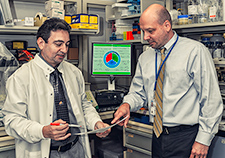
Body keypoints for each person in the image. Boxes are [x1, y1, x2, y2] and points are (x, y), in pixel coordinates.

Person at [111, 4, 223, 158]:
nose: (145, 37)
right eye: (143, 31)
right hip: (158, 135)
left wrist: (203, 140)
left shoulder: (195, 52)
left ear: (167, 25)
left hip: (187, 137)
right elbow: (138, 93)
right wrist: (127, 104)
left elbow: (211, 100)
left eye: (150, 31)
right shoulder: (145, 57)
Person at [2, 18, 111, 158]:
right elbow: (12, 121)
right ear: (41, 43)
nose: (64, 50)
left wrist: (95, 123)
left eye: (67, 44)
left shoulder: (74, 72)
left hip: (76, 149)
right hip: (45, 151)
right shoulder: (21, 77)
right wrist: (43, 131)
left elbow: (83, 105)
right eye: (58, 44)